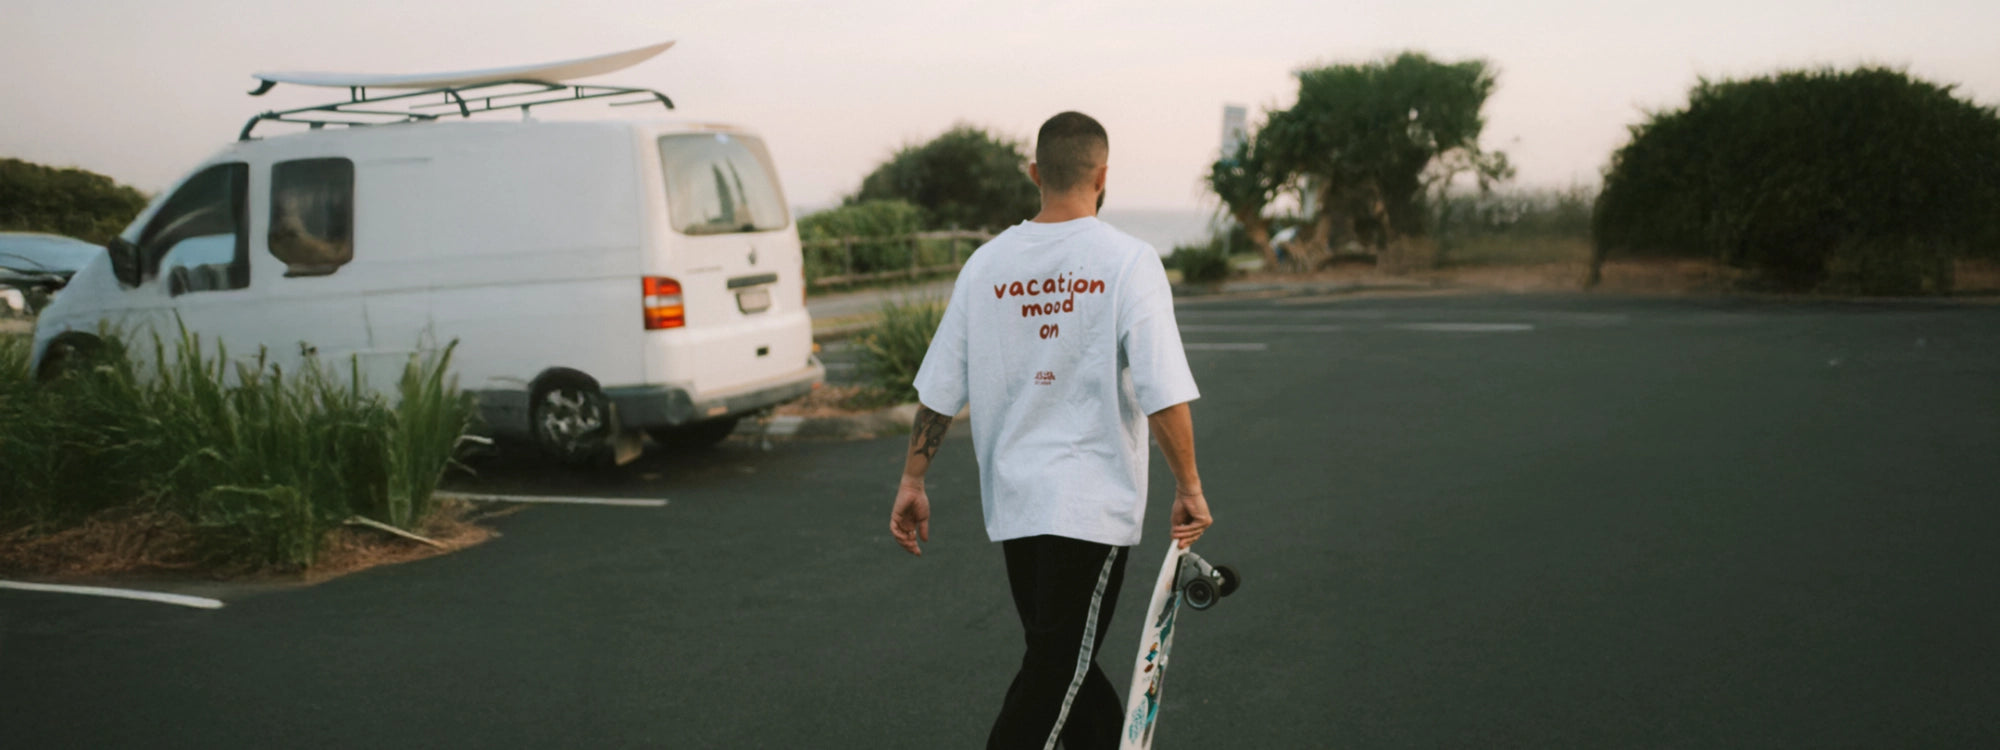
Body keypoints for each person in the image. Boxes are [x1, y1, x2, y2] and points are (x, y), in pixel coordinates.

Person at [888, 111, 1212, 750]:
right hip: (1089, 504)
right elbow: (1161, 387)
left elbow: (939, 388)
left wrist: (912, 479)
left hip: (1015, 500)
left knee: (1064, 662)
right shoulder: (1128, 260)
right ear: (1103, 176)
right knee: (1057, 669)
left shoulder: (986, 264)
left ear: (1035, 173)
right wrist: (1190, 487)